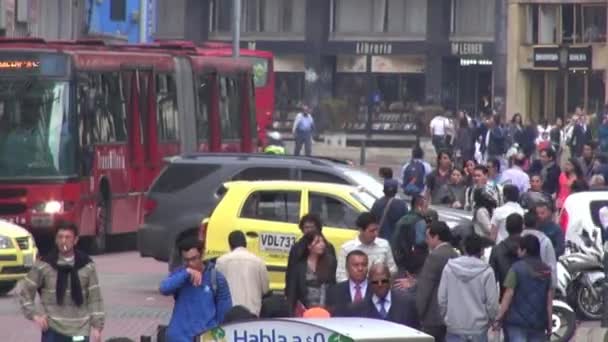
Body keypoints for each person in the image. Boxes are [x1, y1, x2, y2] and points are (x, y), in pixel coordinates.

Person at [17, 222, 104, 342]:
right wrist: (35, 315)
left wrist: (97, 327)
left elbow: (95, 298)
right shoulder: (44, 265)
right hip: (53, 329)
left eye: (68, 237)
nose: (63, 241)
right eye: (60, 237)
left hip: (80, 329)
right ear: (55, 240)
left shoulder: (87, 265)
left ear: (75, 240)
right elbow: (25, 292)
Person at [159, 238, 232, 342]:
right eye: (186, 260)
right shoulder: (180, 274)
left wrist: (218, 339)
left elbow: (224, 316)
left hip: (205, 337)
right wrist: (186, 273)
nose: (190, 263)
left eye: (194, 259)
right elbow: (164, 288)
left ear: (202, 255)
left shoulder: (216, 278)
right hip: (178, 337)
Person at [438, 234, 499, 342]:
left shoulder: (449, 268)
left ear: (464, 248)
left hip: (454, 325)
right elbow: (492, 302)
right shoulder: (487, 271)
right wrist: (491, 319)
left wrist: (445, 317)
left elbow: (442, 298)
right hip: (478, 328)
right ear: (481, 251)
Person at [494, 235, 553, 341]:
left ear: (524, 250)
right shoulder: (547, 271)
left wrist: (499, 317)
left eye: (519, 248)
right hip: (538, 323)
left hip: (516, 323)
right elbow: (549, 301)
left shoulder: (516, 268)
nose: (517, 251)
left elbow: (508, 294)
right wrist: (549, 324)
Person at [416, 221, 459, 342]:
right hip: (451, 315)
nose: (426, 241)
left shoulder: (435, 256)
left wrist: (419, 312)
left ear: (436, 237)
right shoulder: (454, 254)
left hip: (433, 316)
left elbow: (425, 288)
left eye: (428, 237)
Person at [215, 230, 269, 315]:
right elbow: (265, 290)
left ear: (230, 245)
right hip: (253, 313)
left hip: (230, 313)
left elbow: (217, 289)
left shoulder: (221, 261)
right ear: (245, 244)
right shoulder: (259, 262)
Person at [285, 231, 337, 316]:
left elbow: (332, 286)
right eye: (317, 242)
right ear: (309, 246)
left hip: (325, 310)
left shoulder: (330, 263)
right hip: (304, 310)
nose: (322, 244)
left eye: (323, 241)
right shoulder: (299, 266)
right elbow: (292, 292)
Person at [336, 212, 397, 282]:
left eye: (376, 230)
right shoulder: (347, 249)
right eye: (372, 231)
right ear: (361, 230)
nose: (376, 234)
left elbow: (392, 270)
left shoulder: (384, 245)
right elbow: (341, 276)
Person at [355, 263, 419, 328]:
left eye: (384, 281)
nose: (380, 285)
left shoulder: (407, 303)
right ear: (369, 282)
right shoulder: (359, 308)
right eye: (375, 282)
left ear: (390, 280)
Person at [285, 214, 336, 292]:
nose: (309, 230)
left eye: (312, 227)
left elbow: (333, 274)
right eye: (306, 227)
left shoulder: (328, 247)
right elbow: (291, 273)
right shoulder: (296, 248)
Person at [392, 195, 430, 275]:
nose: (427, 210)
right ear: (419, 207)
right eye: (426, 207)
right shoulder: (420, 221)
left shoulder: (402, 219)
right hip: (415, 263)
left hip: (399, 259)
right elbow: (420, 242)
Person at [327, 250, 370, 317]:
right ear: (347, 267)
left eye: (364, 265)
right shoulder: (335, 291)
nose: (360, 268)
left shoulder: (376, 289)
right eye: (356, 265)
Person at [490, 213, 523, 299]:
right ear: (522, 227)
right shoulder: (529, 247)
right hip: (526, 302)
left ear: (506, 228)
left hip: (503, 299)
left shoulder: (497, 250)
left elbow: (491, 279)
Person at [522, 212, 557, 289]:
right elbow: (552, 266)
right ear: (537, 224)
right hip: (540, 284)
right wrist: (552, 287)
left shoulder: (518, 239)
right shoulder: (545, 240)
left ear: (523, 224)